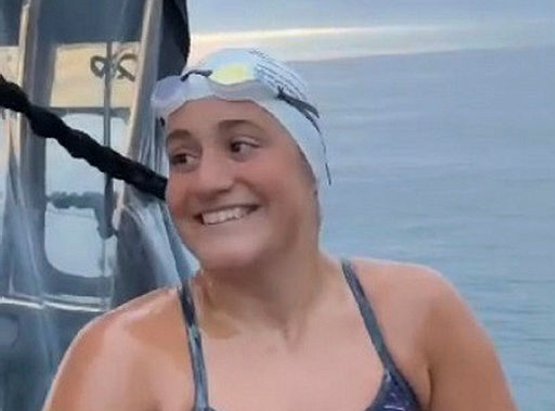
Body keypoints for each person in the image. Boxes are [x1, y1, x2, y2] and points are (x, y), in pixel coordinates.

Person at [43, 48, 518, 411]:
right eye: (183, 158)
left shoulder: (418, 313)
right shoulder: (122, 356)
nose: (207, 181)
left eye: (240, 146)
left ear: (310, 166)